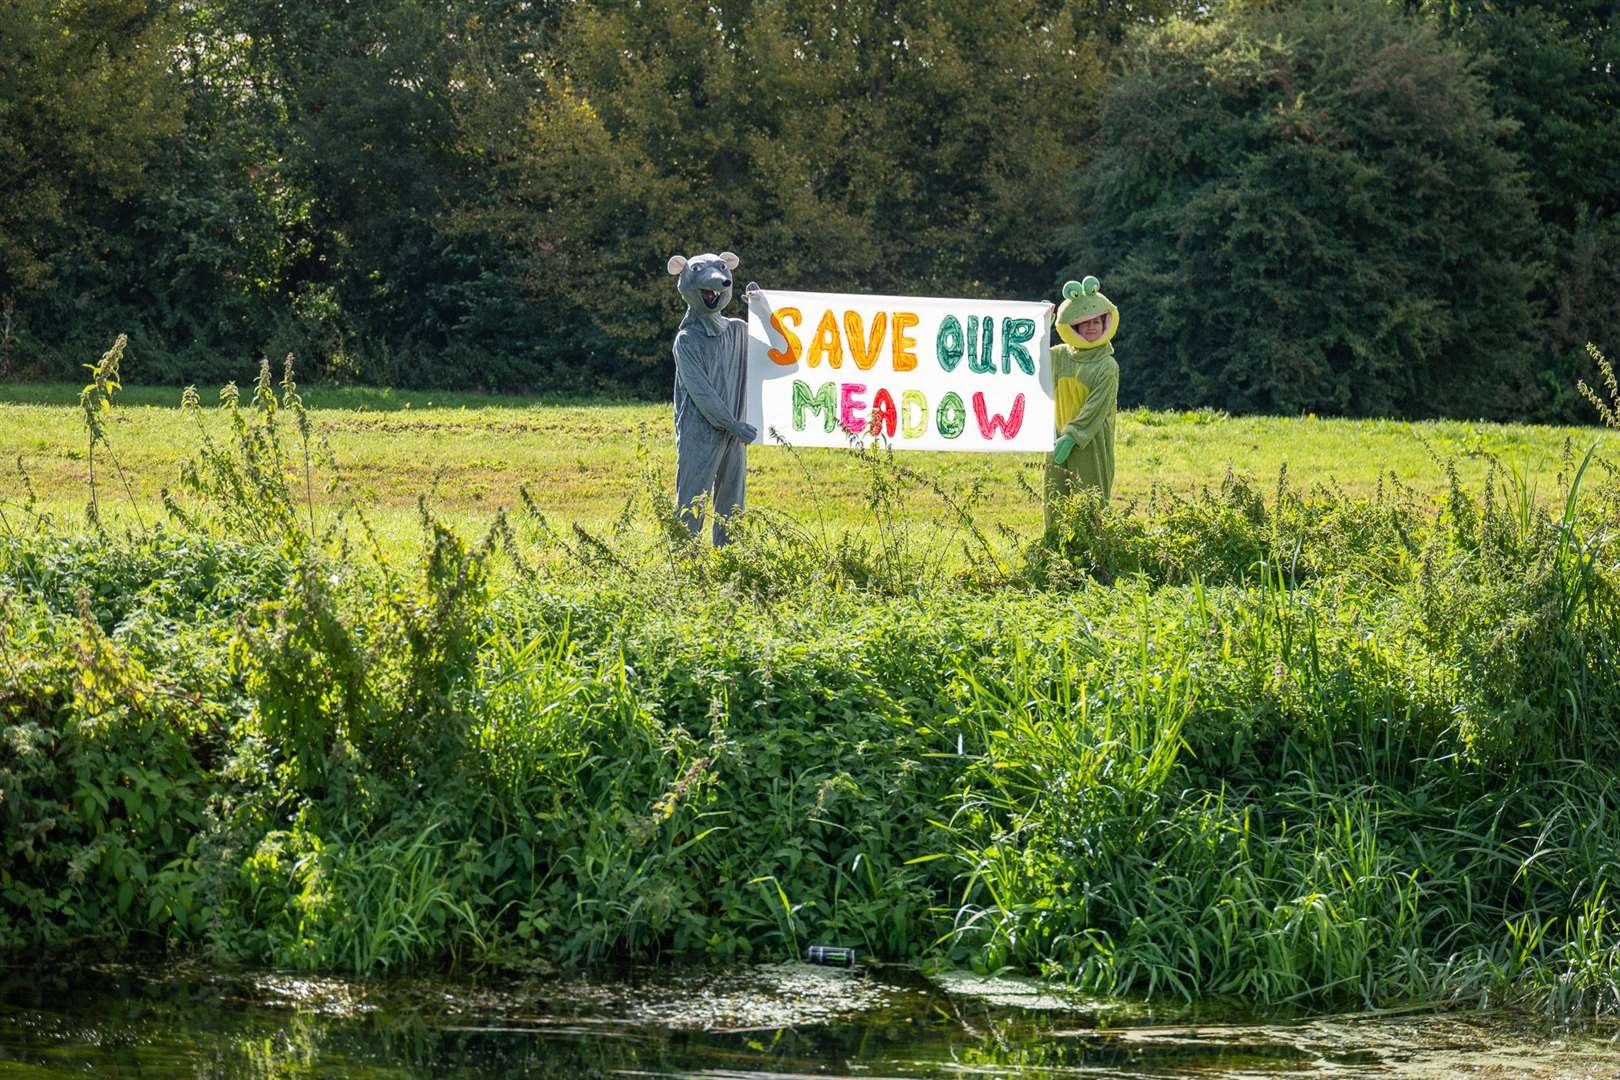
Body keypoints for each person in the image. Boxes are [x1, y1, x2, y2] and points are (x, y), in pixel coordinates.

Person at [667, 250, 760, 546]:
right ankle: (685, 565)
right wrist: (731, 423)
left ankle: (728, 562)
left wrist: (764, 310)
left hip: (735, 434)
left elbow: (782, 352)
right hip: (700, 434)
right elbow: (701, 391)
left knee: (732, 504)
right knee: (692, 499)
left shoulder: (739, 330)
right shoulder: (687, 340)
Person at [1045, 275, 1119, 535]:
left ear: (1105, 322)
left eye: (1096, 321)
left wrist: (1073, 436)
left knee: (1090, 501)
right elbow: (1032, 357)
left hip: (1090, 443)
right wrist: (1040, 323)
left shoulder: (1107, 366)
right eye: (1084, 322)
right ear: (1073, 326)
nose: (1091, 327)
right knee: (1056, 500)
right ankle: (1054, 555)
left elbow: (1096, 408)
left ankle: (1095, 558)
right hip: (1056, 439)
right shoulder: (1060, 356)